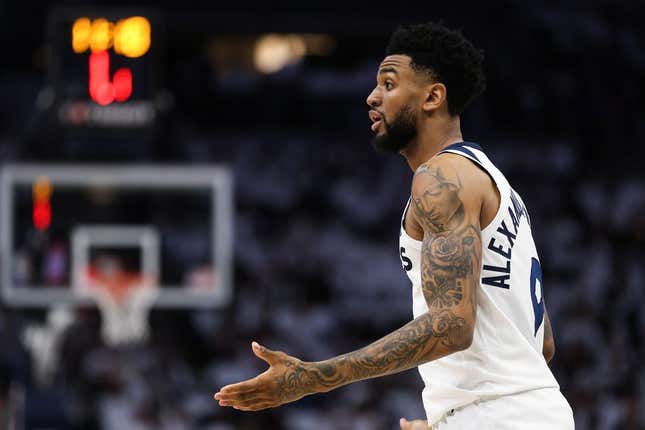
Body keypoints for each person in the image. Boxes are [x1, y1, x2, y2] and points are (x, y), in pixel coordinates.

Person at [214, 22, 574, 429]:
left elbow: (452, 325)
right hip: (522, 410)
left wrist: (315, 378)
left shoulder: (441, 178)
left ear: (433, 96)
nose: (372, 97)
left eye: (388, 84)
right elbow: (540, 344)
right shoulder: (496, 184)